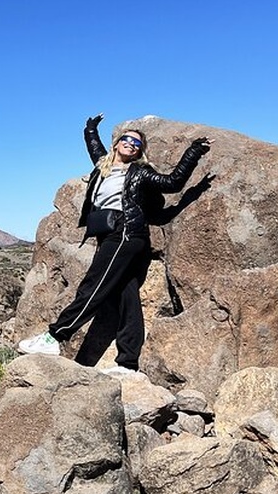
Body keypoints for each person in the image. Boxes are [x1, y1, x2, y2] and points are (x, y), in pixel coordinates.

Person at [18, 113, 212, 374]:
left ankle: (55, 336)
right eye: (128, 140)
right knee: (126, 297)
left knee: (93, 286)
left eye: (137, 144)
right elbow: (94, 147)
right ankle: (128, 362)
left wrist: (193, 152)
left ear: (140, 152)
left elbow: (172, 182)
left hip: (126, 233)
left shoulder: (140, 172)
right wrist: (89, 128)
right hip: (112, 235)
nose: (132, 144)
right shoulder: (104, 166)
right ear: (118, 143)